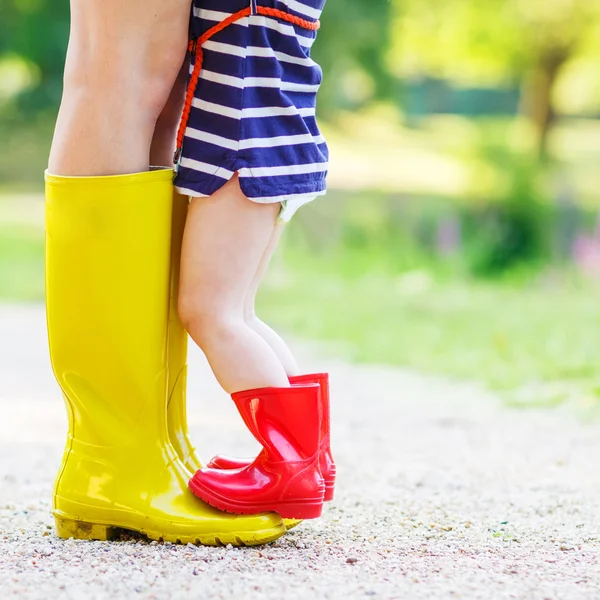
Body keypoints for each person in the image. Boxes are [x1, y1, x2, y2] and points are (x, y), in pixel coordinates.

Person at [44, 0, 334, 547]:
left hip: (241, 154)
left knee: (213, 313)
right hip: (270, 149)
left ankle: (290, 464)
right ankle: (307, 459)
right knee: (239, 314)